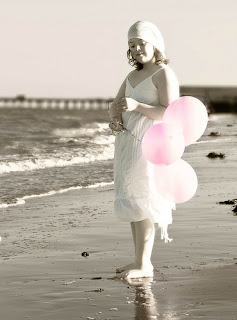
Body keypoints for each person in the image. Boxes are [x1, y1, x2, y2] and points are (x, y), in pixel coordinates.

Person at [108, 21, 179, 279]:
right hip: (127, 144)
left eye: (141, 43)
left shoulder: (163, 73)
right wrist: (114, 116)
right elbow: (114, 104)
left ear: (154, 43)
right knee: (132, 201)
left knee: (144, 200)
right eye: (131, 45)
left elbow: (168, 113)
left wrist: (136, 105)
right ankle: (139, 260)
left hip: (148, 144)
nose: (137, 49)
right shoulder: (131, 76)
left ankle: (145, 264)